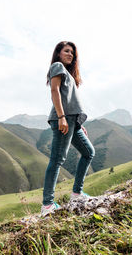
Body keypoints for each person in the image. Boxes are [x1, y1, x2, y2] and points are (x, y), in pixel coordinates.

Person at [41, 41, 95, 217]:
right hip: (62, 119)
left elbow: (70, 100)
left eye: (72, 52)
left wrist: (78, 123)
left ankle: (76, 194)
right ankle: (47, 205)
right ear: (58, 53)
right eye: (66, 51)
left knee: (88, 152)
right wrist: (62, 117)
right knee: (57, 160)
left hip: (72, 120)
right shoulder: (57, 66)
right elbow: (55, 92)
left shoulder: (69, 74)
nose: (70, 54)